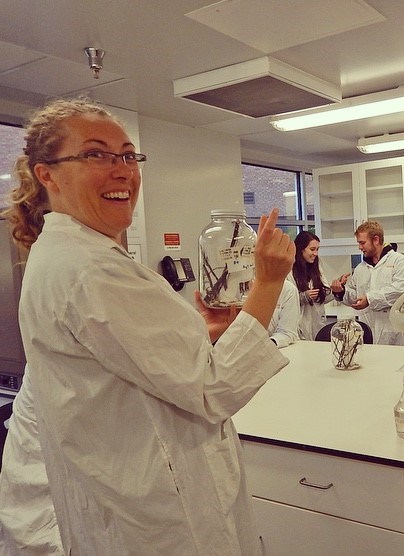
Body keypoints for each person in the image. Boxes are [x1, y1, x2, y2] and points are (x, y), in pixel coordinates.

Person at [0, 98, 295, 555]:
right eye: (96, 153)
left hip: (125, 495)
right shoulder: (90, 268)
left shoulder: (69, 254)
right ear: (47, 174)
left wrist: (199, 330)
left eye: (127, 155)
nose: (122, 169)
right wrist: (269, 281)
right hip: (153, 515)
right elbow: (212, 390)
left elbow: (120, 356)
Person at [332, 220, 404, 345]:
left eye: (362, 243)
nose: (359, 247)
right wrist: (341, 292)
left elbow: (399, 290)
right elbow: (355, 296)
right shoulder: (360, 268)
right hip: (368, 329)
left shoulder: (399, 262)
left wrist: (369, 299)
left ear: (376, 239)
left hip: (394, 331)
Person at [289, 231, 336, 340]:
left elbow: (324, 298)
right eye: (312, 249)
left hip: (317, 324)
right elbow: (286, 301)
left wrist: (334, 290)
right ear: (301, 249)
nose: (316, 253)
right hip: (299, 326)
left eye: (317, 249)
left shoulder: (316, 266)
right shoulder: (290, 270)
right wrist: (303, 297)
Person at [267, 279, 301, 347]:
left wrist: (268, 345)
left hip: (278, 348)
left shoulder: (288, 289)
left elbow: (287, 332)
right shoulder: (248, 288)